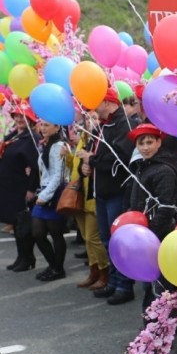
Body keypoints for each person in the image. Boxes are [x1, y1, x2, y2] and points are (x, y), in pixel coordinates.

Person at [78, 88, 137, 303]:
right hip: (103, 190)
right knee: (107, 240)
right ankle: (113, 281)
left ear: (107, 102)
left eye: (96, 101)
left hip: (116, 191)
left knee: (118, 240)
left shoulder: (123, 124)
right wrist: (87, 165)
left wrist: (92, 161)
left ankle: (124, 285)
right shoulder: (106, 125)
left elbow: (121, 160)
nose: (92, 107)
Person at [125, 123, 177, 307]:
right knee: (151, 281)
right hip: (145, 231)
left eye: (149, 142)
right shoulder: (143, 165)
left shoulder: (163, 170)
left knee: (159, 282)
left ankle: (159, 324)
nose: (145, 147)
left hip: (158, 234)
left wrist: (150, 234)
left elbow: (166, 207)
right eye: (141, 143)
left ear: (158, 142)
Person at [70, 111, 110, 289]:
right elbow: (79, 166)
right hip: (81, 193)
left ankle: (104, 271)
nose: (90, 121)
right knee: (87, 237)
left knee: (94, 237)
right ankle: (93, 271)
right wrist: (78, 166)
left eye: (94, 117)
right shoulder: (85, 139)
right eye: (87, 118)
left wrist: (89, 162)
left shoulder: (101, 139)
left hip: (94, 194)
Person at [1, 103, 40, 273]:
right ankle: (21, 256)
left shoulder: (31, 138)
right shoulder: (13, 136)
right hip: (9, 187)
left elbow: (35, 167)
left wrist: (31, 189)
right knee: (16, 225)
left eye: (22, 116)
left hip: (21, 188)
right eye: (16, 115)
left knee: (23, 225)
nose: (18, 119)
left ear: (30, 119)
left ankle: (27, 257)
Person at [31, 120, 68, 282]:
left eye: (47, 125)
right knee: (37, 233)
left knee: (55, 233)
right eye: (42, 125)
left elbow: (58, 176)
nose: (43, 128)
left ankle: (57, 268)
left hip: (54, 193)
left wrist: (44, 196)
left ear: (57, 126)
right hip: (45, 191)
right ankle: (53, 265)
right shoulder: (47, 144)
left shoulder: (59, 145)